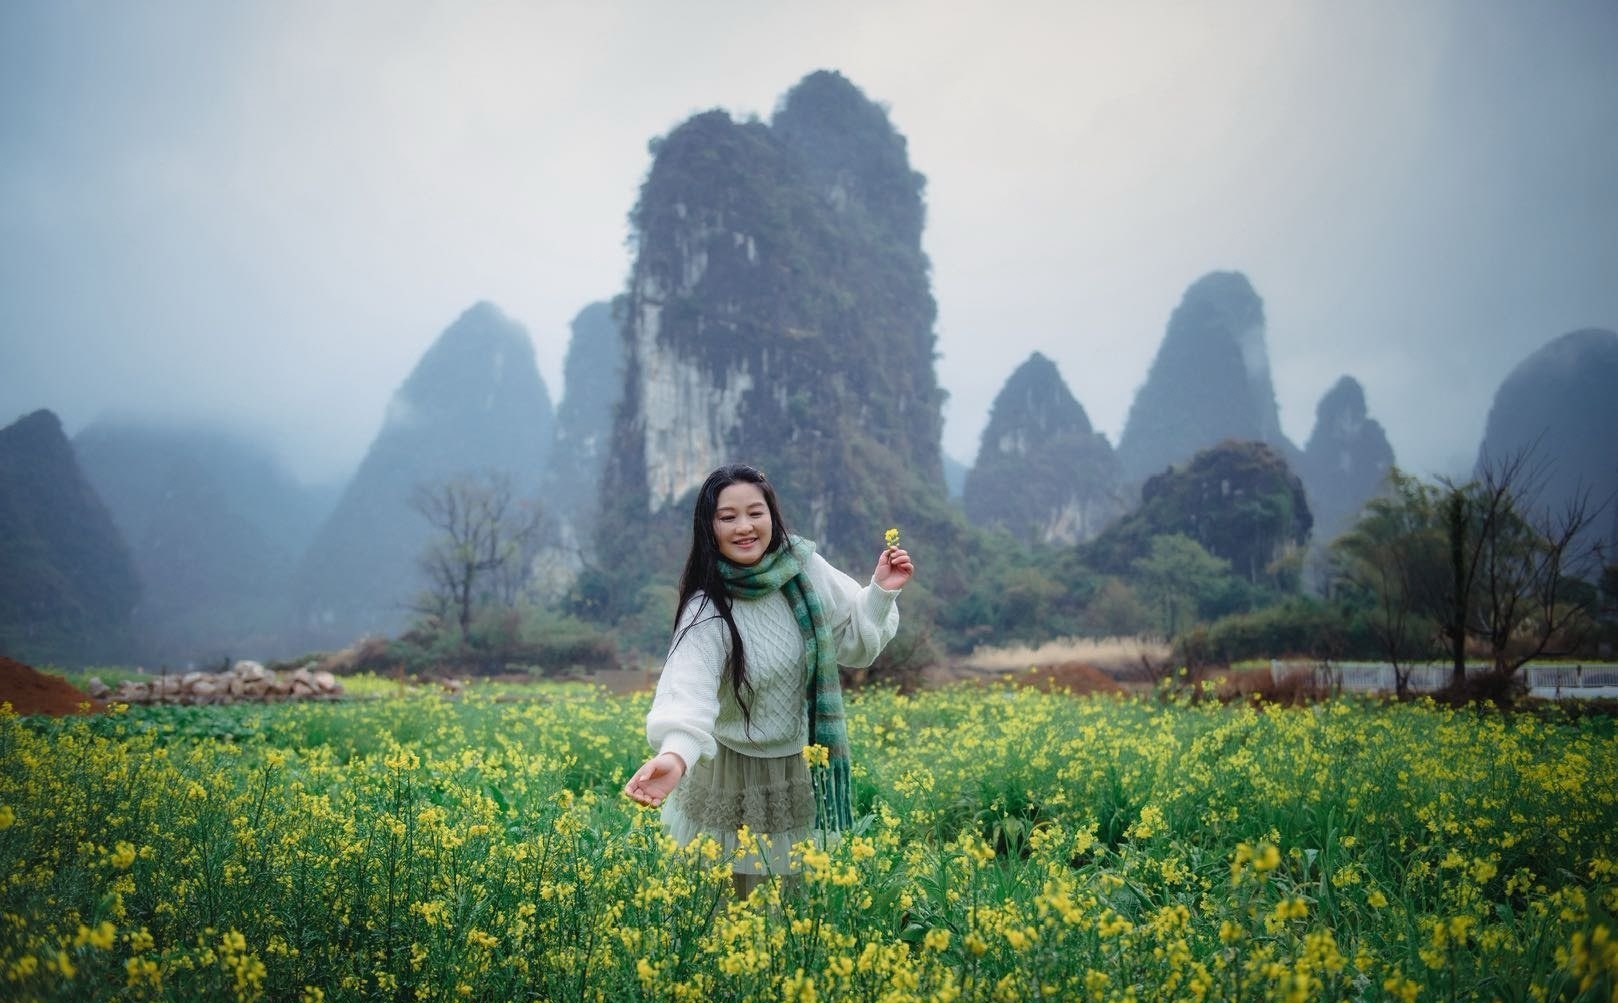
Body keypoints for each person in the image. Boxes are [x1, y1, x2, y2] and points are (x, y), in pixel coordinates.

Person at [623, 463, 914, 898]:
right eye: (728, 517)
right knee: (726, 902)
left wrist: (881, 591)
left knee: (792, 902)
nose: (745, 527)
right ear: (710, 528)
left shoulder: (805, 569)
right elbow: (688, 689)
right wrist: (676, 756)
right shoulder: (709, 607)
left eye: (755, 512)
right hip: (731, 772)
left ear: (772, 516)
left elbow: (855, 644)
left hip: (798, 764)